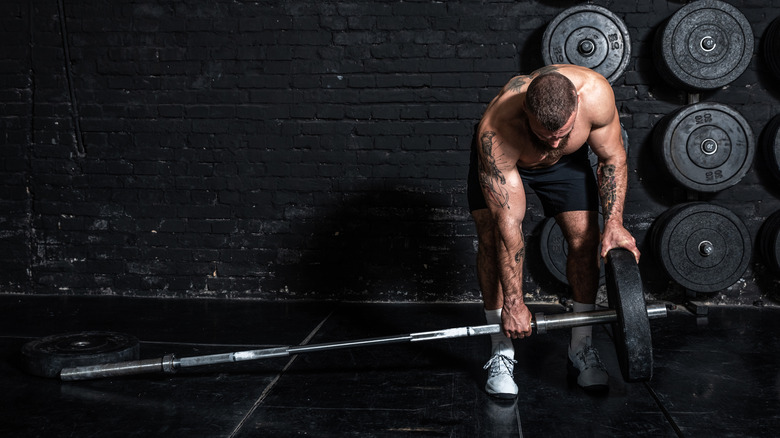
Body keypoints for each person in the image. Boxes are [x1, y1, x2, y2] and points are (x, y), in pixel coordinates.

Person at [466, 64, 641, 399]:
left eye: (563, 133)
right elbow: (510, 227)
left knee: (586, 238)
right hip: (508, 162)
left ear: (576, 106)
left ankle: (581, 348)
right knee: (491, 238)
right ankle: (501, 351)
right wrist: (516, 303)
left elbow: (612, 158)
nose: (555, 141)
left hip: (566, 165)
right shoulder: (497, 130)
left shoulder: (595, 94)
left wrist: (615, 222)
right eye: (547, 136)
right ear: (527, 113)